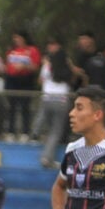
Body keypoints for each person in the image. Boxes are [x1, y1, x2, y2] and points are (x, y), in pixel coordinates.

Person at [31, 35, 73, 169]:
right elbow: (71, 78)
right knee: (56, 131)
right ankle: (46, 157)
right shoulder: (66, 64)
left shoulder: (47, 65)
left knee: (48, 125)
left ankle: (35, 132)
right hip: (61, 99)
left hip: (48, 98)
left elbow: (40, 81)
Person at [2, 30, 41, 141]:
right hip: (12, 81)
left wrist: (24, 67)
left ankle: (25, 132)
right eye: (15, 38)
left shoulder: (32, 50)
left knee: (25, 107)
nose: (16, 40)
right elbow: (7, 66)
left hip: (26, 81)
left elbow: (35, 66)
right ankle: (10, 131)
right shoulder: (11, 51)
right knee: (11, 107)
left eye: (18, 38)